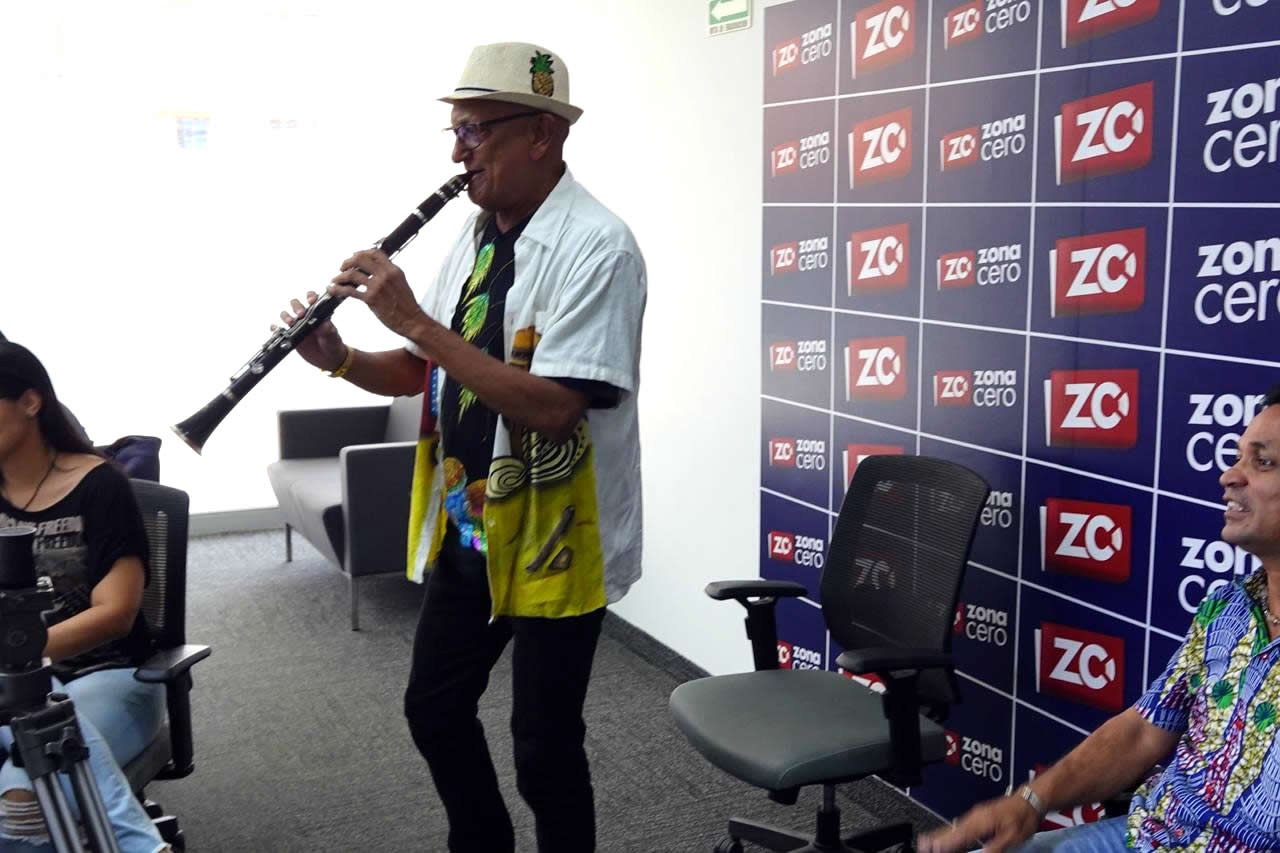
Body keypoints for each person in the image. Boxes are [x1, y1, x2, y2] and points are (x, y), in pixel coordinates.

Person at [281, 42, 645, 853]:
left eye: (474, 131)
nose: (456, 153)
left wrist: (414, 318)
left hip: (556, 537)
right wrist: (339, 357)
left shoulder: (600, 247)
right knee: (434, 707)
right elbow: (421, 369)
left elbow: (554, 408)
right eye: (456, 132)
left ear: (542, 134)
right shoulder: (475, 239)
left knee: (545, 750)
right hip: (469, 520)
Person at [920, 384, 1280, 852]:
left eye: (1263, 462)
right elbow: (1143, 730)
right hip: (1144, 836)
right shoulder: (1226, 609)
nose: (1229, 477)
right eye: (1237, 458)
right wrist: (1030, 801)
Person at [0, 341, 172, 853]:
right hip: (9, 689)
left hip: (110, 677)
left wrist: (21, 655)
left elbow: (116, 615)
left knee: (21, 806)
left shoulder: (101, 486)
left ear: (31, 403)